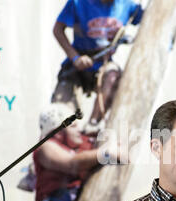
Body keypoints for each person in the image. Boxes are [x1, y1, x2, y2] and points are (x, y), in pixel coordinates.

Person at [52, 0, 143, 134]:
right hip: (77, 65)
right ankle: (60, 136)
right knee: (58, 113)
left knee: (113, 77)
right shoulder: (78, 3)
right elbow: (58, 29)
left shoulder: (127, 5)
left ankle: (93, 125)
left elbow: (151, 20)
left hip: (104, 64)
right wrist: (75, 57)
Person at [27, 103, 119, 201]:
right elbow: (73, 164)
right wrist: (105, 153)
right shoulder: (45, 148)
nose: (79, 130)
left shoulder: (82, 143)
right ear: (58, 133)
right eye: (73, 126)